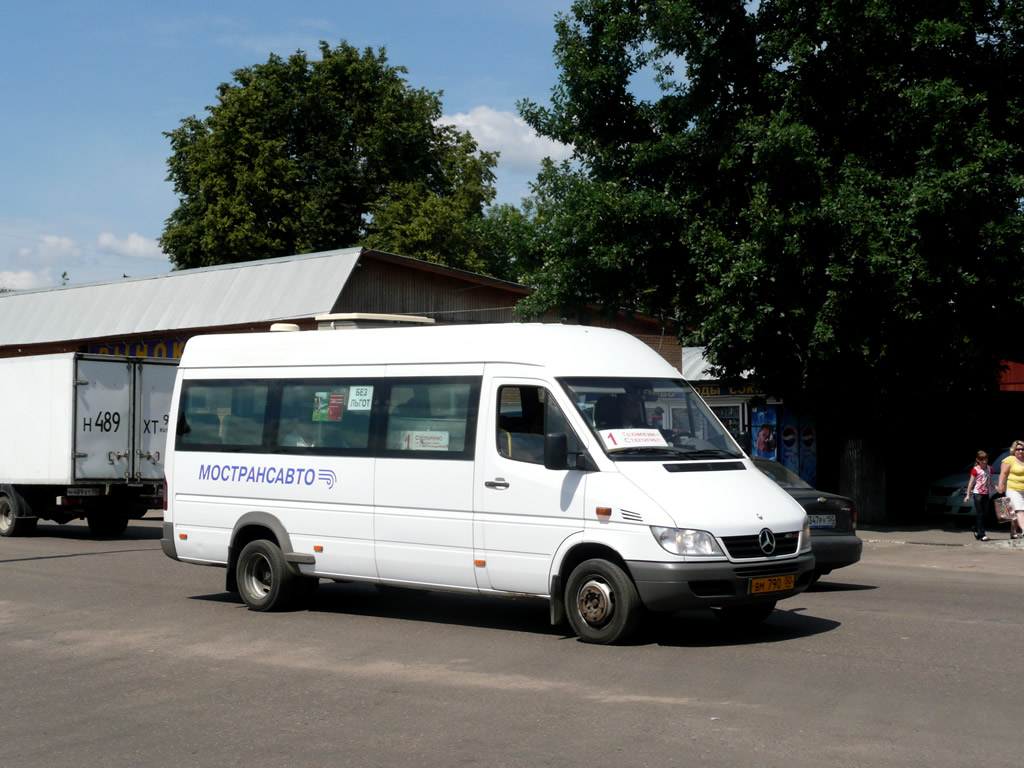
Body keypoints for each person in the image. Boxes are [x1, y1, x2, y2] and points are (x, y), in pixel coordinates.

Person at [995, 440, 1024, 539]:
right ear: (1014, 450)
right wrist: (1000, 485)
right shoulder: (1009, 460)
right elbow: (1003, 474)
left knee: (1015, 514)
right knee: (1020, 511)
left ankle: (1013, 533)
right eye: (1018, 449)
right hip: (1013, 489)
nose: (1020, 451)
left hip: (1023, 489)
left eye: (1022, 449)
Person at [964, 450, 991, 541]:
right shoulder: (975, 470)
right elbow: (971, 483)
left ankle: (976, 527)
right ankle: (982, 534)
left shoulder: (989, 468)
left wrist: (996, 487)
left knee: (986, 514)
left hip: (986, 493)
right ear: (977, 460)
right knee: (980, 514)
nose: (984, 461)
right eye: (982, 459)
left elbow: (989, 479)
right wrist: (968, 495)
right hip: (978, 494)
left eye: (985, 459)